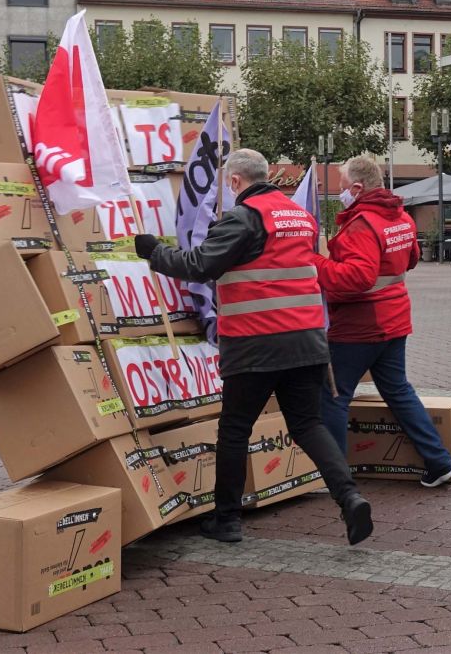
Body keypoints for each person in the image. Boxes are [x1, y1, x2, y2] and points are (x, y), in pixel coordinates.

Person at [133, 148, 373, 545]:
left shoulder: (244, 218)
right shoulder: (300, 216)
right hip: (307, 341)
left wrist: (154, 252)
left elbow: (199, 265)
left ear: (234, 182)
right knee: (307, 424)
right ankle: (349, 496)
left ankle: (226, 520)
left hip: (256, 343)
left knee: (234, 430)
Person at [314, 155, 451, 486]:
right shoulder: (400, 216)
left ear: (356, 187)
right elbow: (411, 258)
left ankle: (336, 478)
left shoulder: (361, 224)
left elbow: (357, 278)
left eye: (341, 185)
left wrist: (317, 263)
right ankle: (440, 462)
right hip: (394, 320)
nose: (340, 192)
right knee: (398, 390)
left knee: (334, 397)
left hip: (360, 326)